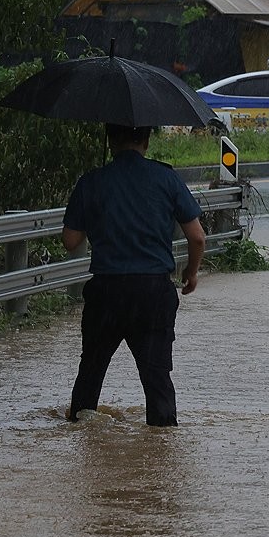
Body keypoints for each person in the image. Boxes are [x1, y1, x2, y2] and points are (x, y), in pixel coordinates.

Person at [61, 123, 206, 427]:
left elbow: (71, 241)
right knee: (156, 377)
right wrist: (191, 273)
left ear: (110, 140)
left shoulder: (92, 182)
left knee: (91, 369)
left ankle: (81, 431)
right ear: (147, 141)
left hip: (106, 291)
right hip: (153, 292)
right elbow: (197, 237)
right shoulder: (166, 178)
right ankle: (162, 440)